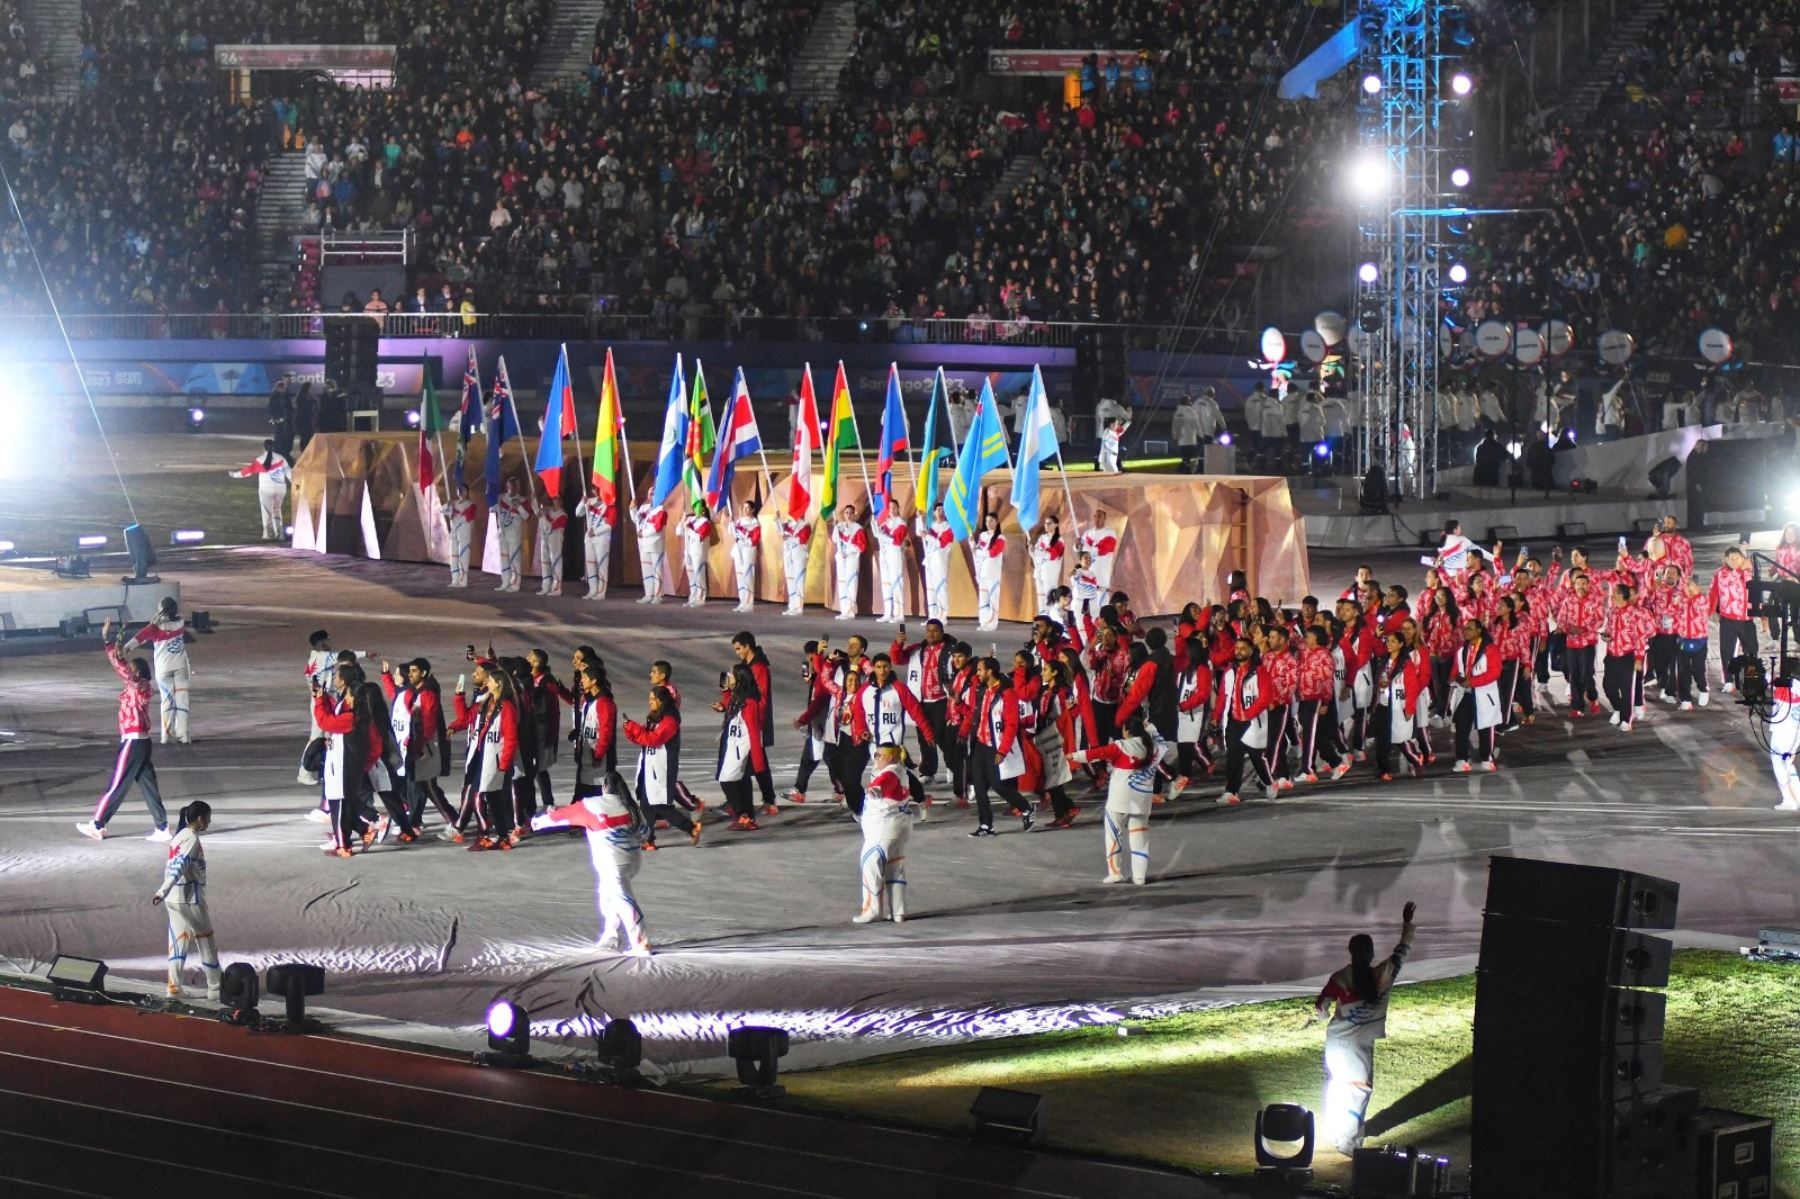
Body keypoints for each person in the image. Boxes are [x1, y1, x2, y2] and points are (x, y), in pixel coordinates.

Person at [1308, 901, 1419, 1156]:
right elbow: (1403, 950)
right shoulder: (1383, 974)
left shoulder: (1339, 978)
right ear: (1370, 954)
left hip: (1336, 1043)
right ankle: (1348, 1142)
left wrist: (1322, 1017)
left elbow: (1321, 1008)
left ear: (1350, 952)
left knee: (1337, 1085)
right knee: (1358, 1090)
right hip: (1359, 1045)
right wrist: (1406, 924)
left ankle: (1333, 1132)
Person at [531, 771, 652, 955]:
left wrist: (538, 822)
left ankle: (640, 942)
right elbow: (645, 833)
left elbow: (562, 816)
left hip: (613, 863)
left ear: (604, 787)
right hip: (632, 861)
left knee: (622, 899)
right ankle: (611, 934)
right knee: (606, 894)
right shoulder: (631, 806)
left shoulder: (592, 805)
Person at [77, 622, 169, 842]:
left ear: (137, 672)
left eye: (132, 668)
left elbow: (122, 668)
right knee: (148, 786)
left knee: (117, 783)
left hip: (133, 742)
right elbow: (121, 664)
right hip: (141, 742)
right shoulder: (138, 686)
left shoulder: (141, 685)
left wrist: (108, 642)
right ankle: (162, 828)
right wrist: (112, 642)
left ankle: (98, 824)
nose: (129, 669)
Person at [1069, 710, 1161, 884]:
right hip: (1142, 800)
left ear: (1126, 731)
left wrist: (1073, 756)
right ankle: (1139, 877)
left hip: (1119, 799)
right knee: (1140, 837)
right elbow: (1160, 738)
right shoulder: (1154, 747)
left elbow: (1096, 754)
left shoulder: (1120, 746)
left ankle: (1115, 872)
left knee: (1113, 835)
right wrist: (1151, 727)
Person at [153, 800, 221, 1003]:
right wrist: (162, 889)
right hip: (190, 899)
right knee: (206, 940)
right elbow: (180, 865)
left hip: (173, 899)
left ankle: (173, 987)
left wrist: (165, 892)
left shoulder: (178, 836)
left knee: (177, 942)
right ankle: (215, 987)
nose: (209, 821)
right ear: (200, 819)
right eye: (208, 817)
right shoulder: (191, 838)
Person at [967, 656, 1034, 836]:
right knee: (980, 788)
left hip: (995, 746)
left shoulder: (1007, 694)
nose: (977, 673)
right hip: (979, 745)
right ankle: (986, 826)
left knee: (999, 785)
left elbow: (1012, 724)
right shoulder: (982, 690)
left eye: (980, 670)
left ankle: (1026, 808)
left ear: (989, 672)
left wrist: (1003, 750)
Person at [855, 745, 920, 923]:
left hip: (884, 830)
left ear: (890, 757)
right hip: (899, 828)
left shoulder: (890, 773)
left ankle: (872, 910)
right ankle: (898, 911)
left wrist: (875, 790)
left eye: (879, 755)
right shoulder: (901, 770)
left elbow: (883, 784)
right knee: (894, 868)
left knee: (870, 865)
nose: (875, 758)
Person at [622, 686, 695, 844]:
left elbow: (654, 739)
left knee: (659, 805)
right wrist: (630, 732)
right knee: (647, 803)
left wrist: (634, 728)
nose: (650, 703)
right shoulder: (655, 717)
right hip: (648, 766)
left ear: (662, 700)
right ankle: (650, 838)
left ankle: (689, 828)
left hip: (661, 768)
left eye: (653, 699)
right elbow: (644, 739)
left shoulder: (670, 720)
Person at [1214, 636, 1274, 804]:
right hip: (1234, 720)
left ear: (1250, 651)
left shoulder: (1260, 671)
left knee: (1256, 755)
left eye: (1242, 648)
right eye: (1236, 648)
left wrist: (1249, 713)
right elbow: (1222, 697)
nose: (1238, 651)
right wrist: (1216, 716)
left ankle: (1269, 782)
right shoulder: (1229, 671)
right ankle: (1232, 791)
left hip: (1253, 720)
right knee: (1233, 756)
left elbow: (1265, 697)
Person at [127, 597, 194, 745]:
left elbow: (140, 637)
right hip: (181, 666)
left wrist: (125, 647)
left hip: (163, 669)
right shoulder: (180, 623)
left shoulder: (154, 628)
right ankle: (184, 735)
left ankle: (166, 735)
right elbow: (172, 620)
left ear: (161, 611)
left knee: (167, 701)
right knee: (182, 700)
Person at [715, 663, 767, 829]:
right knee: (741, 781)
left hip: (740, 749)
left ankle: (742, 815)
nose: (729, 677)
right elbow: (729, 705)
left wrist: (757, 759)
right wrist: (724, 694)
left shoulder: (749, 702)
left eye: (732, 675)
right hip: (732, 745)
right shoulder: (738, 697)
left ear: (739, 679)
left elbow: (753, 731)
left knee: (726, 780)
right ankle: (748, 816)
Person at [1449, 618, 1502, 771]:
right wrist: (1455, 678)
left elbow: (1494, 672)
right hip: (1465, 693)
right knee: (1461, 728)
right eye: (1465, 629)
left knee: (1486, 727)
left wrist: (1473, 682)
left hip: (1483, 694)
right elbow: (1455, 669)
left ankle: (1487, 758)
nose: (1466, 631)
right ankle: (1461, 760)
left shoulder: (1490, 649)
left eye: (1470, 629)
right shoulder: (1462, 649)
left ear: (1479, 631)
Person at [229, 440, 293, 540]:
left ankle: (267, 534)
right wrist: (296, 482)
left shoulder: (260, 460)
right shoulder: (281, 458)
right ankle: (280, 534)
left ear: (263, 448)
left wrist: (234, 475)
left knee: (266, 511)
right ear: (274, 447)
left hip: (265, 489)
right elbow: (289, 472)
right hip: (280, 489)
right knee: (277, 510)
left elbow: (247, 471)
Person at [916, 503, 955, 621]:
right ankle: (932, 617)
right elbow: (919, 532)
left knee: (940, 588)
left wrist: (927, 536)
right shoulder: (931, 525)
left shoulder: (949, 528)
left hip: (940, 561)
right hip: (929, 561)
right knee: (930, 589)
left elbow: (941, 544)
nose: (941, 512)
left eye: (943, 510)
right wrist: (918, 518)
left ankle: (942, 616)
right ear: (934, 512)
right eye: (938, 510)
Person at [491, 478, 530, 592]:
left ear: (518, 487)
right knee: (504, 558)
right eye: (509, 486)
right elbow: (492, 509)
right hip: (502, 532)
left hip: (514, 533)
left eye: (514, 486)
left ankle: (515, 584)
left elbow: (526, 516)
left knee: (514, 558)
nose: (511, 488)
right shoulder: (501, 498)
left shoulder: (522, 500)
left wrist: (519, 506)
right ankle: (505, 581)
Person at [574, 492, 614, 599]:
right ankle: (592, 589)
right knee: (590, 564)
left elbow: (610, 524)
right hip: (589, 538)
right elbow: (578, 513)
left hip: (601, 538)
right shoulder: (590, 501)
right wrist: (582, 502)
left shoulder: (610, 504)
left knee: (602, 565)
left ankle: (601, 592)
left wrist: (595, 532)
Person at [874, 503, 909, 623]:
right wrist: (874, 524)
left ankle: (899, 614)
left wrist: (882, 535)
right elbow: (877, 534)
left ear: (898, 508)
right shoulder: (886, 523)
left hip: (895, 554)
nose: (892, 510)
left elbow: (897, 541)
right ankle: (887, 612)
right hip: (884, 555)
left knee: (896, 583)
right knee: (886, 583)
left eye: (894, 508)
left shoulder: (901, 524)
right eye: (889, 508)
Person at [832, 504, 867, 620]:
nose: (849, 515)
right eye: (847, 513)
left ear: (854, 514)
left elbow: (861, 547)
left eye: (851, 513)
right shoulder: (840, 526)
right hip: (841, 559)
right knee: (842, 583)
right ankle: (843, 610)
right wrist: (835, 528)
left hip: (852, 559)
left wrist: (848, 551)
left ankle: (850, 611)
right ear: (844, 514)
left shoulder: (858, 528)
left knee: (851, 584)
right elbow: (834, 539)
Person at [632, 500, 668, 603]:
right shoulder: (645, 507)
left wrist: (643, 533)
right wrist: (632, 509)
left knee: (657, 570)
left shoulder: (661, 510)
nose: (652, 496)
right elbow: (636, 519)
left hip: (655, 543)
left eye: (654, 494)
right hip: (644, 543)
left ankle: (658, 595)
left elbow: (657, 527)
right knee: (646, 569)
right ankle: (649, 594)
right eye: (650, 493)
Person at [778, 507, 812, 615]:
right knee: (790, 579)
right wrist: (777, 519)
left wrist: (789, 539)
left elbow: (803, 538)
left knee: (799, 579)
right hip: (788, 553)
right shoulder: (788, 524)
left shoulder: (805, 525)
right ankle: (792, 605)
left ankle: (798, 607)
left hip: (799, 553)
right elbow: (780, 530)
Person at [730, 499, 762, 613]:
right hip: (739, 549)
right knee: (739, 576)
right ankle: (742, 601)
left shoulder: (755, 523)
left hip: (748, 550)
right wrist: (731, 524)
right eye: (744, 508)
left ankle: (749, 603)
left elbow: (755, 539)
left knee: (748, 575)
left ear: (753, 510)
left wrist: (746, 538)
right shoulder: (739, 522)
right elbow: (733, 534)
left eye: (748, 508)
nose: (745, 510)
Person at [1030, 515, 1066, 614]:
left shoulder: (1059, 540)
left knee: (1049, 595)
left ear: (1056, 525)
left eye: (1049, 523)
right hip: (1039, 570)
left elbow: (1052, 555)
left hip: (1050, 572)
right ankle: (1043, 617)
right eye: (1046, 523)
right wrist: (1032, 550)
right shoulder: (1042, 538)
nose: (1047, 525)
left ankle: (1052, 617)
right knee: (1040, 596)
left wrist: (1037, 552)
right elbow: (1036, 552)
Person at [679, 503, 713, 607]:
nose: (694, 508)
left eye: (698, 506)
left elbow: (700, 537)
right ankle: (693, 596)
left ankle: (700, 598)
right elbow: (679, 532)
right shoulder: (690, 519)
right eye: (694, 506)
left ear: (703, 509)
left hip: (698, 552)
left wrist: (689, 529)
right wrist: (682, 523)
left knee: (699, 575)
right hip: (688, 551)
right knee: (691, 575)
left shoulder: (705, 522)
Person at [1079, 512, 1121, 597]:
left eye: (1099, 516)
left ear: (1105, 518)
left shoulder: (1110, 533)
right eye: (1095, 516)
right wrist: (1077, 545)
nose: (1097, 519)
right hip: (1088, 573)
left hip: (1101, 574)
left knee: (1100, 603)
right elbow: (1078, 550)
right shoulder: (1088, 533)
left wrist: (1085, 547)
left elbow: (1101, 551)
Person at [445, 482, 477, 588]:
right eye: (460, 490)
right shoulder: (453, 503)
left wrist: (455, 516)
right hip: (454, 533)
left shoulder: (471, 505)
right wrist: (448, 506)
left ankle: (463, 581)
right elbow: (443, 510)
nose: (461, 492)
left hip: (464, 533)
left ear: (467, 492)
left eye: (464, 490)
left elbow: (467, 518)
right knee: (454, 556)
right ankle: (455, 580)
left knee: (463, 556)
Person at [536, 488, 567, 596]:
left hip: (555, 540)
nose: (556, 500)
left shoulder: (562, 514)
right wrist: (534, 500)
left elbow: (553, 525)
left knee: (556, 561)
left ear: (561, 500)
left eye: (558, 498)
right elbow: (537, 511)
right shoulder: (547, 510)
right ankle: (545, 586)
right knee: (545, 562)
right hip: (545, 538)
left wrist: (543, 517)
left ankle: (556, 588)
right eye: (554, 498)